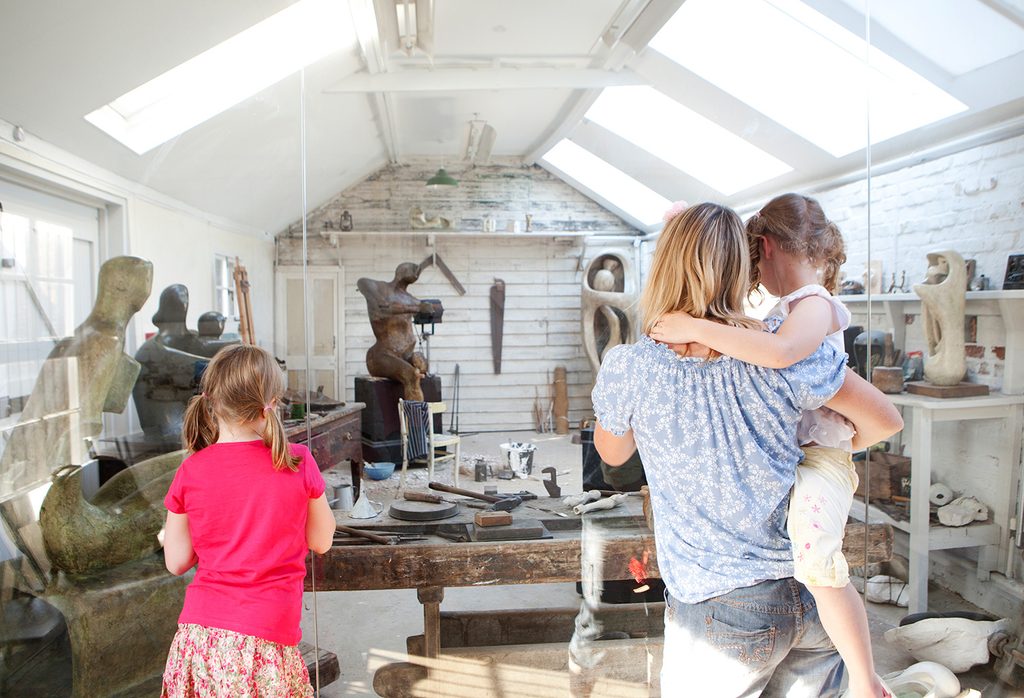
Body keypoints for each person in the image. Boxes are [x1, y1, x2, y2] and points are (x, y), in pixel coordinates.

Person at [594, 202, 902, 697]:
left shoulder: (630, 367)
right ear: (744, 265)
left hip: (721, 606)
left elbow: (611, 455)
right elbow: (884, 419)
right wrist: (827, 455)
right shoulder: (783, 350)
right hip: (812, 594)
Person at [160, 344, 335, 697]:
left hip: (199, 638)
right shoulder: (297, 461)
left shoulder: (191, 470)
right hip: (265, 639)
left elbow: (177, 561)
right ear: (271, 401)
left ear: (211, 401)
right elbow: (322, 540)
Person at [356, 262, 438, 401]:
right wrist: (417, 308)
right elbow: (381, 309)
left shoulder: (411, 299)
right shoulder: (376, 287)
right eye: (412, 268)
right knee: (411, 375)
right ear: (399, 271)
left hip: (405, 355)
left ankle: (420, 415)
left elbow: (430, 308)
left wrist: (428, 308)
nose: (416, 270)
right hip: (381, 356)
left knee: (422, 366)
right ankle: (416, 420)